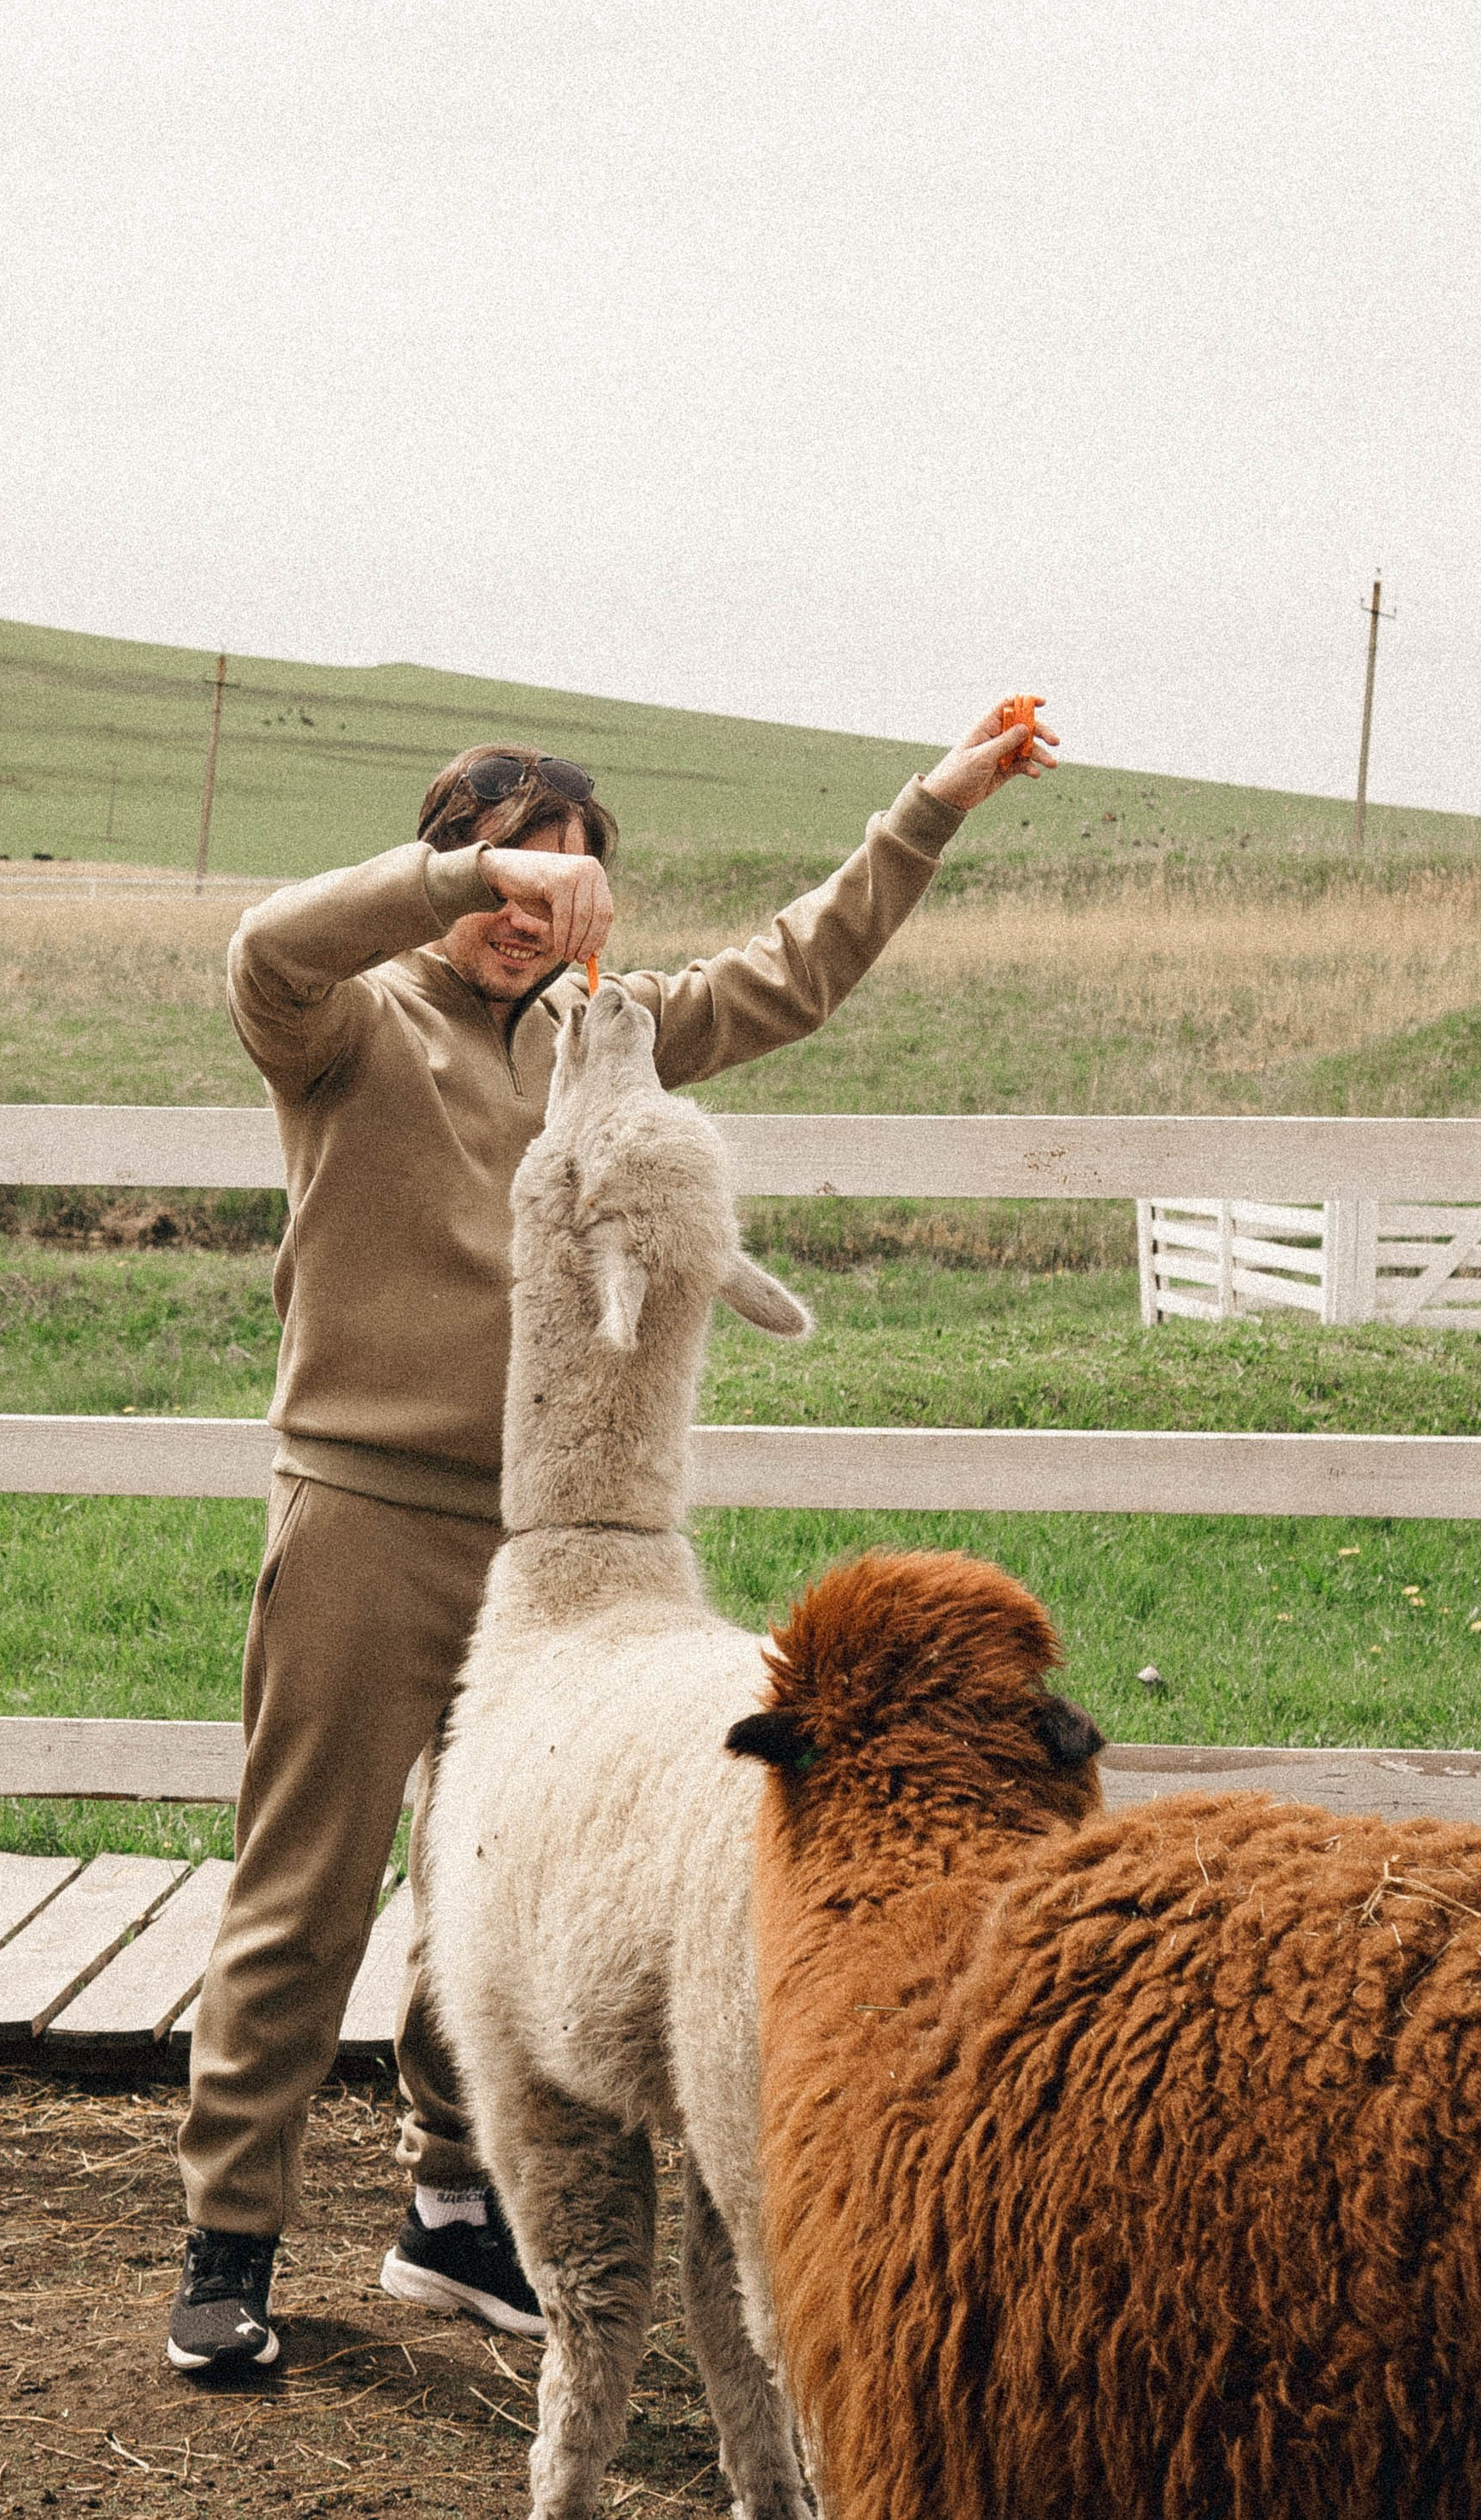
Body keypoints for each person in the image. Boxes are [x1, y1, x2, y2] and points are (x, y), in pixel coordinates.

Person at [166, 700, 1058, 2374]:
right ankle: (229, 2241)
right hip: (366, 1516)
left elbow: (796, 970)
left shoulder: (609, 1036)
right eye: (508, 877)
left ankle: (452, 2203)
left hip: (556, 1552)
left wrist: (935, 800)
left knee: (498, 1882)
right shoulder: (345, 1025)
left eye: (567, 881)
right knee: (308, 1887)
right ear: (447, 871)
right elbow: (265, 942)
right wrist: (462, 880)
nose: (534, 913)